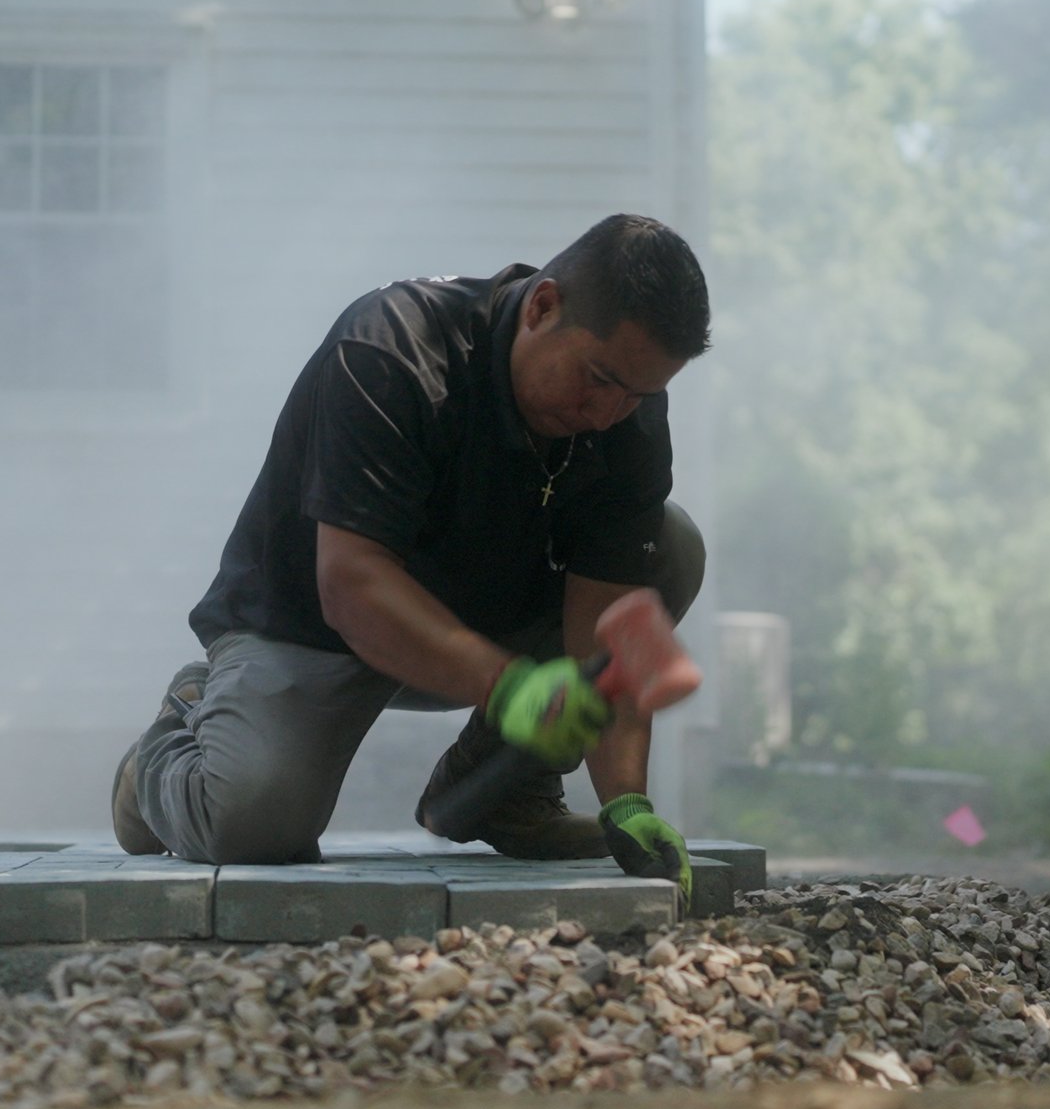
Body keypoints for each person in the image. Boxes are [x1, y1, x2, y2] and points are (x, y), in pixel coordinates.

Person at [112, 213, 711, 900]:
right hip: (314, 626)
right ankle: (171, 741)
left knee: (670, 548)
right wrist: (512, 688)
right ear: (543, 307)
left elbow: (611, 632)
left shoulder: (627, 412)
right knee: (253, 826)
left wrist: (626, 805)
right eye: (600, 379)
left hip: (480, 633)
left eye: (640, 393)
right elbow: (351, 585)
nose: (611, 413)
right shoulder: (391, 348)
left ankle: (500, 793)